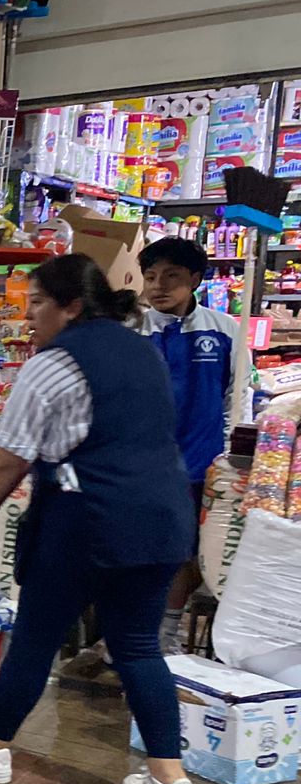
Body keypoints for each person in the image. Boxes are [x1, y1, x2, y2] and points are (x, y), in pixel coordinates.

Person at [0, 253, 199, 784]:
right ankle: (170, 781)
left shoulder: (53, 364)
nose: (28, 316)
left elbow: (8, 455)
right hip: (162, 518)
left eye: (37, 304)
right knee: (136, 645)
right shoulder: (141, 350)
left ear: (71, 307)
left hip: (88, 519)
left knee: (35, 637)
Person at [138, 236, 245, 652]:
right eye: (150, 277)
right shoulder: (132, 331)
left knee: (183, 553)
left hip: (199, 464)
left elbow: (237, 398)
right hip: (140, 464)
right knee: (138, 549)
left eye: (172, 276)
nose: (158, 286)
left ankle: (165, 635)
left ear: (195, 280)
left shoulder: (224, 331)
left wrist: (230, 461)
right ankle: (130, 631)